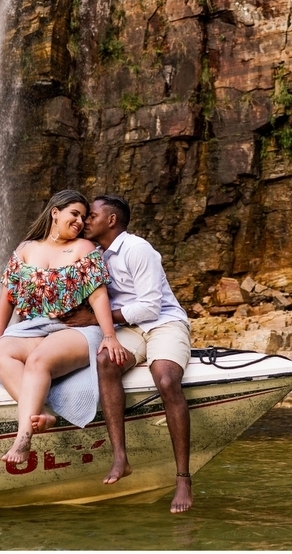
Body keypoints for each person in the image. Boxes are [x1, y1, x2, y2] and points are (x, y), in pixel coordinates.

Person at [0, 190, 126, 465]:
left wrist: (109, 335)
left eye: (84, 217)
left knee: (39, 361)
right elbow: (8, 297)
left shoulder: (83, 249)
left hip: (75, 328)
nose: (79, 222)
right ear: (55, 212)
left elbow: (98, 295)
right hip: (35, 328)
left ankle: (23, 437)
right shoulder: (26, 249)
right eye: (74, 214)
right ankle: (44, 413)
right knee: (1, 352)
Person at [62, 194, 194, 513]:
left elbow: (150, 306)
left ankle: (183, 478)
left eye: (92, 215)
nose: (85, 220)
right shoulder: (94, 255)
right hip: (130, 329)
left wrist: (94, 319)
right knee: (106, 359)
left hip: (163, 322)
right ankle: (120, 457)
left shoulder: (138, 249)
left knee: (165, 379)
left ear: (111, 220)